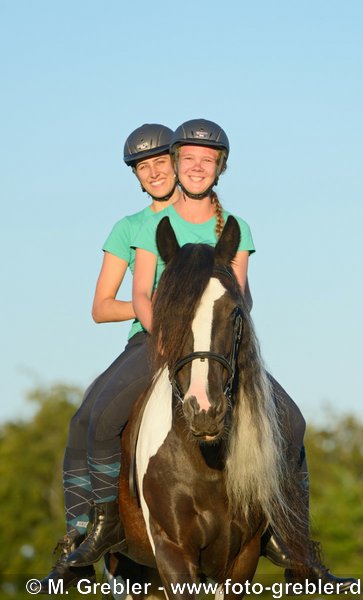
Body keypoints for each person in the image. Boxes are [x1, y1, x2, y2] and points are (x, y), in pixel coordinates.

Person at [65, 119, 356, 592]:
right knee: (98, 418)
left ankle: (294, 543)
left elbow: (242, 294)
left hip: (221, 343)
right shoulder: (147, 225)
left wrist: (225, 323)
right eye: (189, 160)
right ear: (178, 164)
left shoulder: (237, 228)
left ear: (220, 168)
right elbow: (140, 295)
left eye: (208, 161)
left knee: (293, 421)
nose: (196, 168)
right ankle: (98, 524)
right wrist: (169, 331)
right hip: (161, 341)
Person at [39, 123, 180, 593]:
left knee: (285, 420)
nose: (155, 171)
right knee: (87, 419)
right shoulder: (129, 228)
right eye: (145, 167)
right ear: (137, 177)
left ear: (179, 161)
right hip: (148, 341)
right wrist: (151, 307)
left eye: (162, 161)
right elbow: (101, 307)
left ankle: (290, 537)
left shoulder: (212, 216)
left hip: (209, 342)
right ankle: (86, 532)